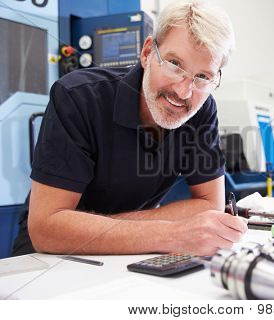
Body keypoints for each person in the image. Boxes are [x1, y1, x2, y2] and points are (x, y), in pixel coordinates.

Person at [12, 0, 247, 257]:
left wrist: (117, 230)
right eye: (174, 64)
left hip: (135, 251)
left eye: (203, 77)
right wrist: (172, 233)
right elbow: (47, 228)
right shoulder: (78, 98)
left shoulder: (202, 109)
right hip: (52, 258)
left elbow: (209, 205)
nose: (183, 91)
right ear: (147, 53)